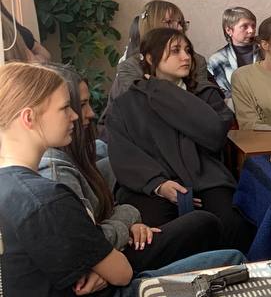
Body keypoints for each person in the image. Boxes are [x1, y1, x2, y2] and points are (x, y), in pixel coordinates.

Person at [0, 62, 244, 297]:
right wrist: (108, 268)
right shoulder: (47, 197)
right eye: (64, 108)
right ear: (29, 118)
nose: (75, 115)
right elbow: (122, 272)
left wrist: (103, 268)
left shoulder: (11, 183)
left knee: (202, 241)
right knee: (232, 263)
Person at [39, 64, 225, 270]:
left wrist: (131, 223)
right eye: (79, 105)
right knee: (207, 230)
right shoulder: (56, 173)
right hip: (112, 265)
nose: (90, 113)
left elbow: (109, 210)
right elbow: (87, 245)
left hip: (116, 245)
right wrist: (125, 228)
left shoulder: (73, 158)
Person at [106, 28, 255, 253]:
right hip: (150, 186)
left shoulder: (205, 94)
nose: (186, 57)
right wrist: (158, 185)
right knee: (154, 235)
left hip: (205, 180)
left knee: (232, 223)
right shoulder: (126, 104)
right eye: (175, 51)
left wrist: (163, 90)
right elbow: (124, 155)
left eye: (187, 50)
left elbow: (214, 134)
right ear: (150, 58)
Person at [110, 0, 214, 106]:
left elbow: (206, 103)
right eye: (169, 22)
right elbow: (137, 107)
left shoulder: (196, 61)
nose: (180, 28)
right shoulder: (131, 66)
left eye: (181, 23)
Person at [206, 6, 260, 101]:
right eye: (245, 26)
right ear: (229, 30)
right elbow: (218, 93)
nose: (251, 30)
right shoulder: (217, 60)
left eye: (253, 26)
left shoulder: (265, 52)